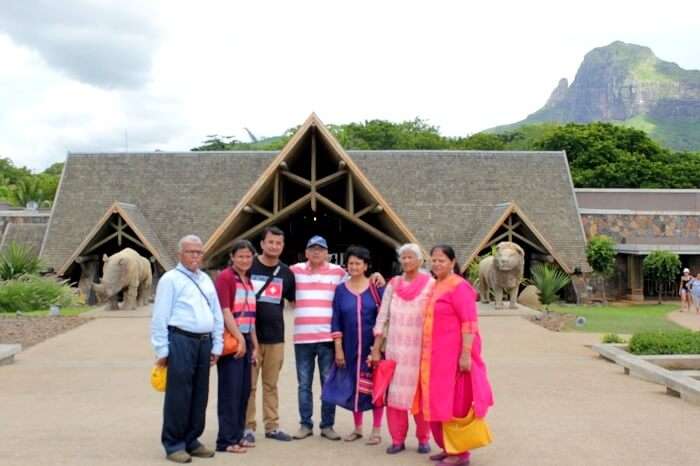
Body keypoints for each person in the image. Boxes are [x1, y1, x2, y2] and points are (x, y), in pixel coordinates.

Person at [416, 245, 494, 466]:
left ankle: (460, 453)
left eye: (441, 260)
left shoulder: (460, 287)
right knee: (437, 400)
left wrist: (466, 355)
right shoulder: (436, 285)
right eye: (434, 260)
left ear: (452, 262)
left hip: (453, 357)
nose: (437, 264)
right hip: (434, 356)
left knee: (454, 402)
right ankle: (446, 446)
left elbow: (469, 323)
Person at [150, 234, 224, 464]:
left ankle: (192, 439)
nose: (195, 256)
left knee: (200, 393)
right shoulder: (170, 280)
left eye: (199, 252)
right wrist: (162, 350)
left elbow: (216, 313)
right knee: (179, 394)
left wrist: (217, 343)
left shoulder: (206, 280)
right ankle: (174, 443)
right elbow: (160, 316)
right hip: (181, 340)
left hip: (204, 341)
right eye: (191, 252)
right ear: (180, 254)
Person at [370, 243, 434, 455]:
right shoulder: (394, 284)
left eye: (410, 257)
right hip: (396, 350)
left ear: (420, 260)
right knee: (395, 397)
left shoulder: (430, 284)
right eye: (403, 258)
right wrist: (377, 348)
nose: (406, 261)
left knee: (421, 394)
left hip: (420, 351)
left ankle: (424, 439)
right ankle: (397, 439)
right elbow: (383, 316)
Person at [289, 235, 346, 441]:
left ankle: (327, 425)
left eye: (320, 249)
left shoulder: (338, 272)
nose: (316, 252)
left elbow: (357, 282)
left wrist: (377, 275)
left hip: (327, 338)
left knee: (327, 383)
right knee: (303, 384)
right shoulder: (294, 271)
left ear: (327, 253)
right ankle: (305, 424)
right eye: (312, 248)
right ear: (306, 252)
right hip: (302, 339)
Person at [328, 246, 385, 445]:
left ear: (366, 266)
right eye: (350, 263)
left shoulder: (377, 288)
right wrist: (338, 347)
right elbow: (335, 319)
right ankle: (358, 428)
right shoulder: (341, 290)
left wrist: (378, 347)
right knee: (354, 386)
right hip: (350, 347)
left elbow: (385, 318)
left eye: (358, 263)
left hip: (373, 348)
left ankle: (376, 430)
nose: (353, 267)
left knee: (376, 388)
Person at [244, 227, 296, 443]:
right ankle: (247, 426)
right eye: (271, 242)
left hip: (275, 337)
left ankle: (272, 425)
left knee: (271, 384)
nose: (274, 246)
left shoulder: (286, 273)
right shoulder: (248, 266)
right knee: (249, 385)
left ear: (283, 246)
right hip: (249, 336)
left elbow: (292, 300)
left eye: (279, 243)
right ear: (262, 244)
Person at [214, 240, 260, 454]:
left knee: (243, 391)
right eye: (240, 256)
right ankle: (225, 440)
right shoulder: (225, 278)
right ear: (232, 257)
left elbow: (250, 316)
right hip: (232, 341)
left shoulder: (248, 280)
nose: (244, 260)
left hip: (246, 339)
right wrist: (240, 339)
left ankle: (238, 434)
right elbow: (225, 311)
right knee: (230, 391)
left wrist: (254, 345)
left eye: (248, 256)